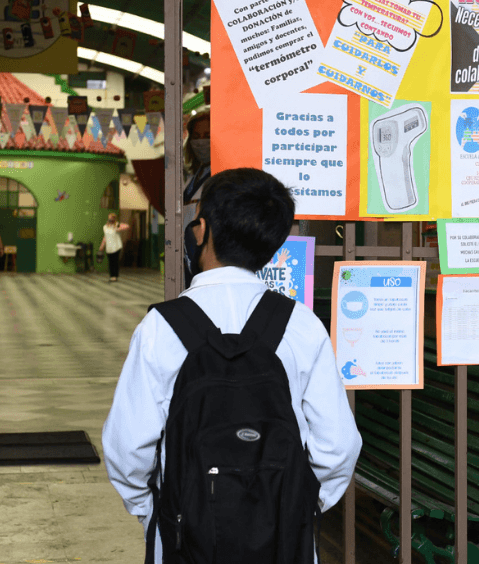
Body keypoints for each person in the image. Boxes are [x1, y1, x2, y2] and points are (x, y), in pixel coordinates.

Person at [102, 168, 361, 562]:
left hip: (183, 537)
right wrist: (294, 508)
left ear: (201, 230)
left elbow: (127, 447)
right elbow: (339, 447)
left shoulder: (162, 327)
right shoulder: (301, 324)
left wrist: (156, 512)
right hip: (285, 543)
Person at [181, 106, 211, 288]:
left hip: (204, 256)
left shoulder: (222, 176)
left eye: (207, 135)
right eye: (196, 136)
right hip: (187, 252)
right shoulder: (195, 175)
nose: (201, 142)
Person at [99, 212, 131, 282]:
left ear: (114, 219)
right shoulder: (105, 227)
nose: (110, 220)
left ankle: (115, 276)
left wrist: (118, 227)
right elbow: (105, 237)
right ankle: (111, 275)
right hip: (109, 247)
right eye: (109, 218)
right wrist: (102, 246)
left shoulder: (117, 225)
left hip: (116, 246)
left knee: (115, 261)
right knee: (110, 262)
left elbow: (127, 226)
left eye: (112, 218)